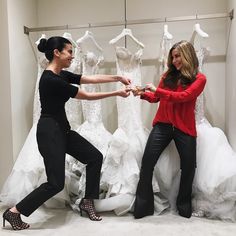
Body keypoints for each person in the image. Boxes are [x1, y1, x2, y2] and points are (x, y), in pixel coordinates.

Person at [2, 36, 131, 230]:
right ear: (57, 52)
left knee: (94, 157)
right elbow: (85, 96)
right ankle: (14, 212)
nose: (72, 55)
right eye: (69, 51)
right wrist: (116, 93)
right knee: (55, 183)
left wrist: (118, 78)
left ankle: (87, 202)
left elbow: (89, 79)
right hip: (50, 132)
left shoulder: (61, 74)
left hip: (62, 129)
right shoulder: (50, 79)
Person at [132, 40, 206, 219]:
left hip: (184, 128)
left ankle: (184, 206)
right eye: (173, 57)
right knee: (147, 163)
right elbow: (157, 98)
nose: (174, 61)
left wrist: (157, 90)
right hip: (163, 125)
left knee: (189, 167)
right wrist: (142, 94)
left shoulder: (199, 79)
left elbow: (184, 97)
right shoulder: (167, 76)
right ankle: (143, 208)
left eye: (178, 56)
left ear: (187, 55)